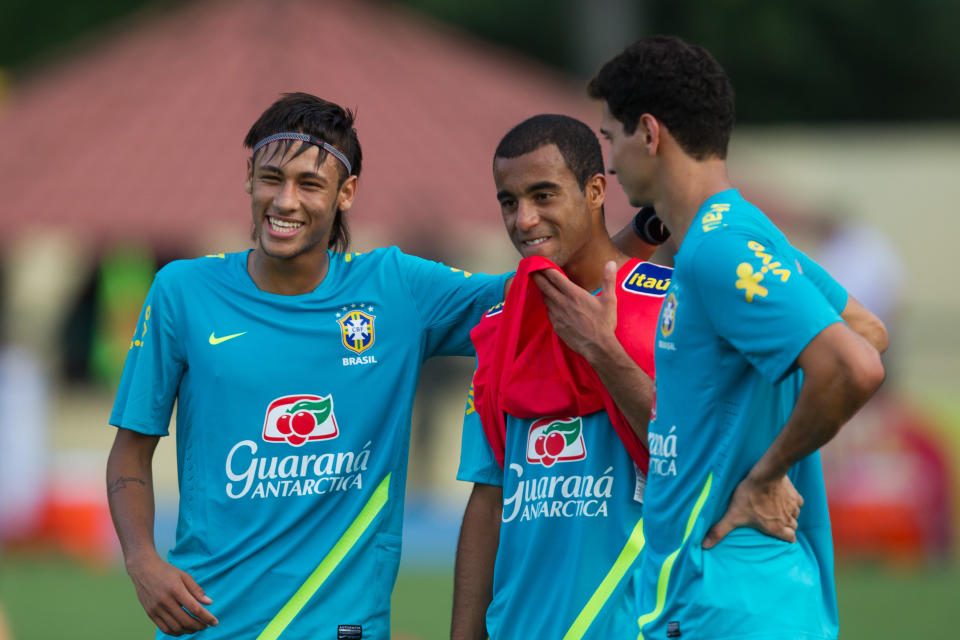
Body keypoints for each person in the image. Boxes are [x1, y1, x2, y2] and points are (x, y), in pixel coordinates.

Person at [106, 92, 661, 640]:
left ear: (346, 192)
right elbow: (130, 450)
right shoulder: (182, 291)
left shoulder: (396, 290)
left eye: (310, 184)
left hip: (345, 626)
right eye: (272, 178)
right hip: (210, 621)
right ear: (249, 178)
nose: (285, 202)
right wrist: (141, 561)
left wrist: (653, 222)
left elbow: (540, 281)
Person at [584, 37, 887, 639]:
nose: (610, 163)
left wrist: (768, 473)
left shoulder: (718, 250)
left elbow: (856, 363)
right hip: (745, 597)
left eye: (609, 137)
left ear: (649, 133)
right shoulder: (743, 234)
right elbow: (867, 329)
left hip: (728, 599)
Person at [452, 115, 668, 639]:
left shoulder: (672, 303)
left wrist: (602, 349)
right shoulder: (503, 324)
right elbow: (490, 495)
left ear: (595, 191)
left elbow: (694, 458)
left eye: (543, 195)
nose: (524, 220)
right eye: (509, 201)